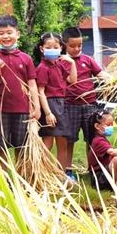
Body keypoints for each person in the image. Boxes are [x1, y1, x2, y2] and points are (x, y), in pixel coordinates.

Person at [0, 15, 40, 156]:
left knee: (22, 148)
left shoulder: (26, 58)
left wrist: (37, 106)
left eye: (9, 32)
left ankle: (20, 171)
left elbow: (32, 84)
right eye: (1, 33)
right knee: (0, 148)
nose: (6, 36)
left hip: (22, 109)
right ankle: (3, 171)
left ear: (18, 34)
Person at [63, 27, 109, 181]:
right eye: (72, 46)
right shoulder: (62, 61)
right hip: (70, 105)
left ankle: (94, 170)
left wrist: (111, 78)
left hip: (90, 105)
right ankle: (68, 170)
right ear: (65, 44)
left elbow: (99, 73)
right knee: (69, 139)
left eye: (79, 45)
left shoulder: (87, 60)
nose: (77, 49)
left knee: (92, 139)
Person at [35, 32, 77, 179]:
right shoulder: (42, 67)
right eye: (48, 47)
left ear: (61, 48)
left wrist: (72, 62)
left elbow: (72, 80)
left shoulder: (59, 65)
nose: (52, 50)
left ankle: (61, 175)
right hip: (50, 104)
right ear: (42, 49)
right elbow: (40, 91)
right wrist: (47, 113)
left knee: (63, 142)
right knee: (48, 141)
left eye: (55, 47)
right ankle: (42, 174)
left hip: (62, 104)